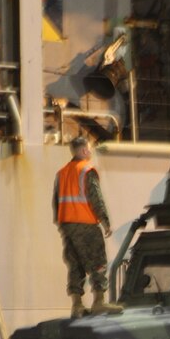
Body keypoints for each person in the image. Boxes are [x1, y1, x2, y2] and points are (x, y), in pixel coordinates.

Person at [53, 136, 122, 317]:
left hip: (67, 226)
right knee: (98, 261)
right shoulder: (87, 170)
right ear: (84, 151)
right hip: (86, 224)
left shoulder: (62, 173)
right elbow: (95, 198)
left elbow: (56, 202)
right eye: (89, 149)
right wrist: (105, 221)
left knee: (75, 264)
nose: (90, 152)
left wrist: (62, 224)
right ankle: (99, 302)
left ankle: (77, 306)